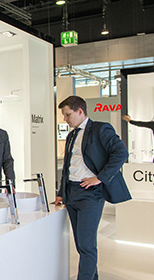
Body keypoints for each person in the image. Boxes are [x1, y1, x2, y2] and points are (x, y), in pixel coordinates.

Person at [56, 96, 131, 280]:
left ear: (80, 111)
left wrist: (100, 178)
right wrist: (61, 193)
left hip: (90, 194)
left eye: (67, 115)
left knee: (87, 244)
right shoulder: (71, 135)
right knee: (81, 244)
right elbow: (68, 167)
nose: (65, 119)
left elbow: (121, 152)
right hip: (72, 193)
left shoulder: (100, 128)